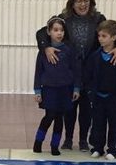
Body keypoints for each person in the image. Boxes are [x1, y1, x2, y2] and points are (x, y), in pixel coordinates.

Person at [35, 0, 116, 151]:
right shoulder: (64, 18)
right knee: (69, 107)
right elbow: (42, 33)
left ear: (91, 2)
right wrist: (46, 47)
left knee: (86, 108)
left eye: (85, 1)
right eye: (78, 1)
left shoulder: (98, 19)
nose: (82, 4)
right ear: (72, 2)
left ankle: (83, 140)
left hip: (90, 71)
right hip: (70, 71)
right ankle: (68, 139)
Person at [33, 16, 81, 156]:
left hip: (65, 89)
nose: (59, 33)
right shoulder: (43, 52)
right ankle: (38, 141)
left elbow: (75, 69)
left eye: (61, 30)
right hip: (49, 89)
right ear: (49, 32)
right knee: (49, 116)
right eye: (55, 30)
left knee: (60, 118)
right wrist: (37, 90)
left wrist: (76, 88)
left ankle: (55, 145)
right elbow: (38, 71)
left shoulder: (69, 50)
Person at [86, 20, 116, 160]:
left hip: (114, 97)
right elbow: (88, 75)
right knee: (97, 123)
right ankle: (97, 147)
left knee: (115, 124)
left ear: (114, 37)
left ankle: (114, 149)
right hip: (98, 97)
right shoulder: (94, 57)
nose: (100, 39)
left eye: (104, 36)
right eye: (99, 36)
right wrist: (90, 92)